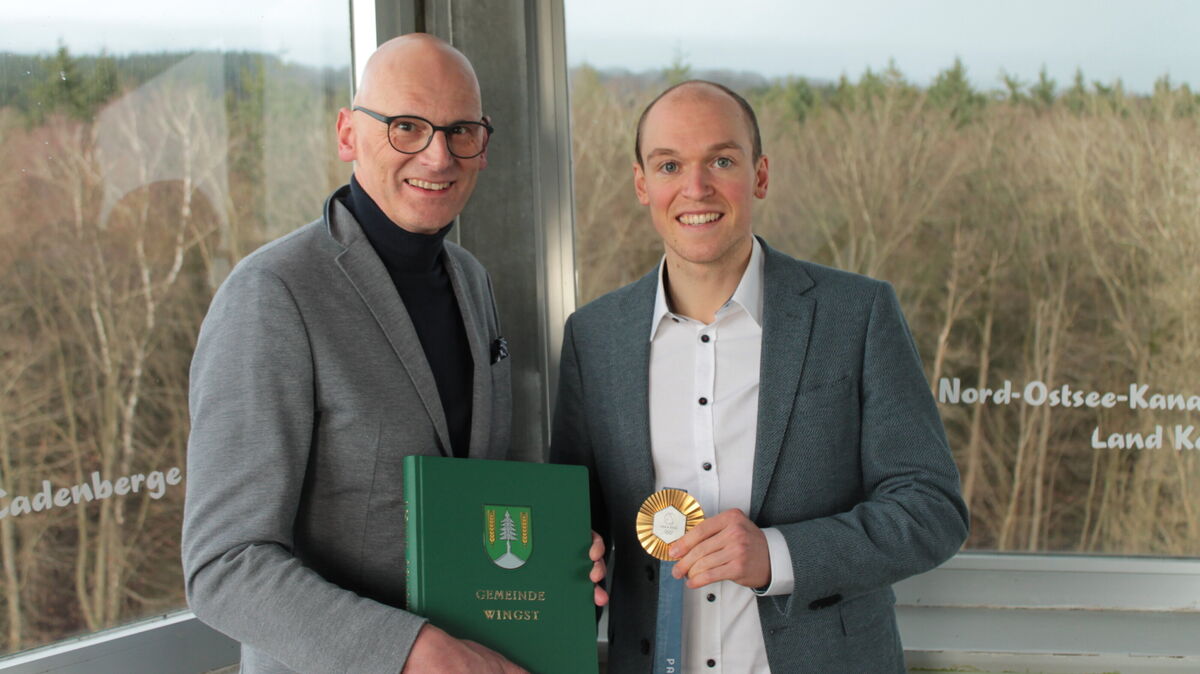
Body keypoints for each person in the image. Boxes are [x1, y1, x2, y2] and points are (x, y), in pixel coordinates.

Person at [183, 34, 604, 674]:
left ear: (483, 144)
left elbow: (467, 498)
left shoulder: (471, 280)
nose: (438, 156)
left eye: (461, 131)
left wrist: (554, 556)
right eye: (406, 126)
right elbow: (224, 565)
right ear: (348, 134)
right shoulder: (272, 292)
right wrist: (411, 651)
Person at [551, 80, 969, 673]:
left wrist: (778, 555)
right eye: (669, 165)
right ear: (642, 184)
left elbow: (932, 509)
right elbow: (575, 528)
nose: (696, 188)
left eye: (721, 161)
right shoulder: (594, 337)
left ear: (761, 175)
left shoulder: (856, 315)